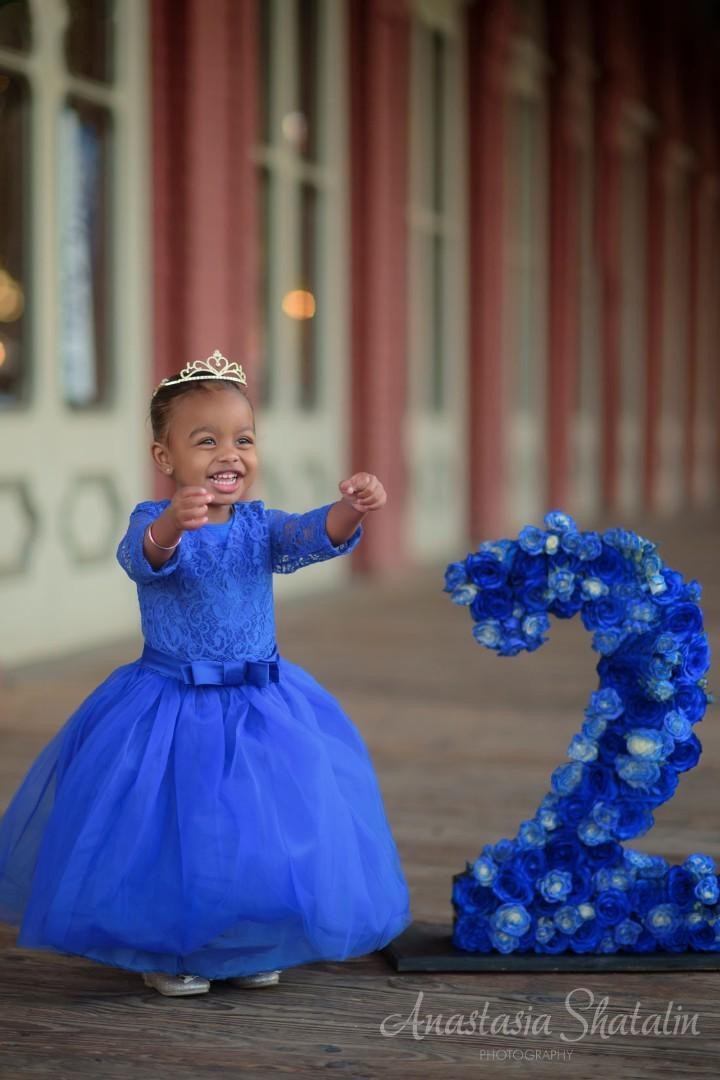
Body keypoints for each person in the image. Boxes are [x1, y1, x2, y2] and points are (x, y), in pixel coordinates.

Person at [0, 349, 412, 996]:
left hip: (260, 705)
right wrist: (170, 525)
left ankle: (243, 941)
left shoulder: (258, 526)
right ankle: (168, 947)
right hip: (170, 706)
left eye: (243, 440)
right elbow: (142, 559)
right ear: (166, 459)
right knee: (176, 831)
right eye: (207, 441)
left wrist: (352, 509)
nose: (230, 454)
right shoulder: (154, 518)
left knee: (258, 829)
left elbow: (310, 536)